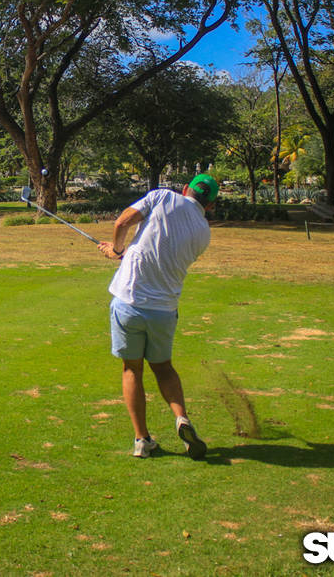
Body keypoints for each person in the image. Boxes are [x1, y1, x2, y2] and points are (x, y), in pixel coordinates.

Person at [97, 174, 219, 459]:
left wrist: (116, 251)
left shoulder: (163, 196)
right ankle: (182, 418)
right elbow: (162, 251)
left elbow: (121, 223)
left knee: (132, 370)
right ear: (210, 205)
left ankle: (142, 440)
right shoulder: (203, 231)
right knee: (164, 368)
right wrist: (126, 253)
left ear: (186, 188)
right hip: (164, 310)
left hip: (129, 301)